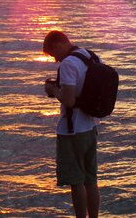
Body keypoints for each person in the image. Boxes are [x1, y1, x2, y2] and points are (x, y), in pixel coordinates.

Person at [43, 30, 100, 218]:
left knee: (76, 182)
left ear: (58, 44)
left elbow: (68, 100)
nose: (55, 60)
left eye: (53, 54)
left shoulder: (69, 63)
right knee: (91, 180)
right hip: (91, 126)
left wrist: (53, 90)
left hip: (73, 129)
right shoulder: (90, 56)